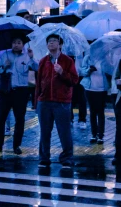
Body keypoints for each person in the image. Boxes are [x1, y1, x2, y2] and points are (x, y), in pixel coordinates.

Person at [35, 33, 79, 168]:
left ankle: (67, 158)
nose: (51, 43)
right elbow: (38, 82)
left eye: (54, 41)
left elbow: (74, 80)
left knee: (64, 131)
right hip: (45, 101)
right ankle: (44, 158)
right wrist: (37, 100)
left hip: (62, 102)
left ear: (60, 44)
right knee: (44, 131)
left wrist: (62, 72)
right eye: (49, 41)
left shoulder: (67, 61)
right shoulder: (43, 61)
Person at [0, 38, 38, 155]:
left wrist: (31, 57)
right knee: (0, 119)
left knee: (19, 120)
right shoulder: (5, 54)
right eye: (14, 42)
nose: (16, 45)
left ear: (23, 45)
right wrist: (4, 66)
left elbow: (36, 68)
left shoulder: (27, 56)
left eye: (19, 43)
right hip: (6, 91)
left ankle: (16, 146)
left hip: (21, 91)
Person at [80, 51, 109, 144]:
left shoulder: (105, 59)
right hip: (90, 89)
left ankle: (101, 135)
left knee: (101, 112)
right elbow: (82, 72)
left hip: (102, 89)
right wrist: (89, 70)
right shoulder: (87, 58)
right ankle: (93, 134)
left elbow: (110, 71)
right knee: (92, 112)